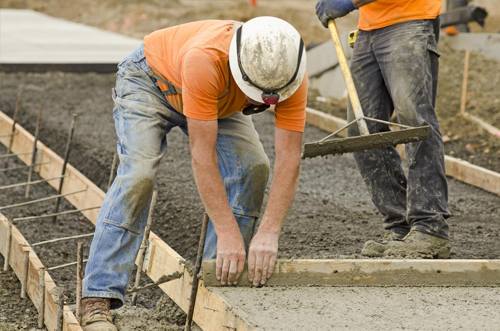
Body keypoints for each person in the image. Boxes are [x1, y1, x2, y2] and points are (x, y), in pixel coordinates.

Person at [80, 17, 307, 331]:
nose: (259, 103)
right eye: (254, 94)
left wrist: (270, 231)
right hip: (152, 80)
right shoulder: (207, 58)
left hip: (217, 99)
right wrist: (227, 230)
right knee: (139, 175)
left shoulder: (289, 71)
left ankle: (215, 282)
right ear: (241, 71)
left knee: (253, 167)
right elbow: (203, 154)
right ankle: (98, 294)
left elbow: (290, 158)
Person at [316, 0, 451, 258]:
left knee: (415, 122)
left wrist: (347, 1)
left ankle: (429, 227)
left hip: (410, 20)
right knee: (362, 128)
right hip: (369, 29)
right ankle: (400, 226)